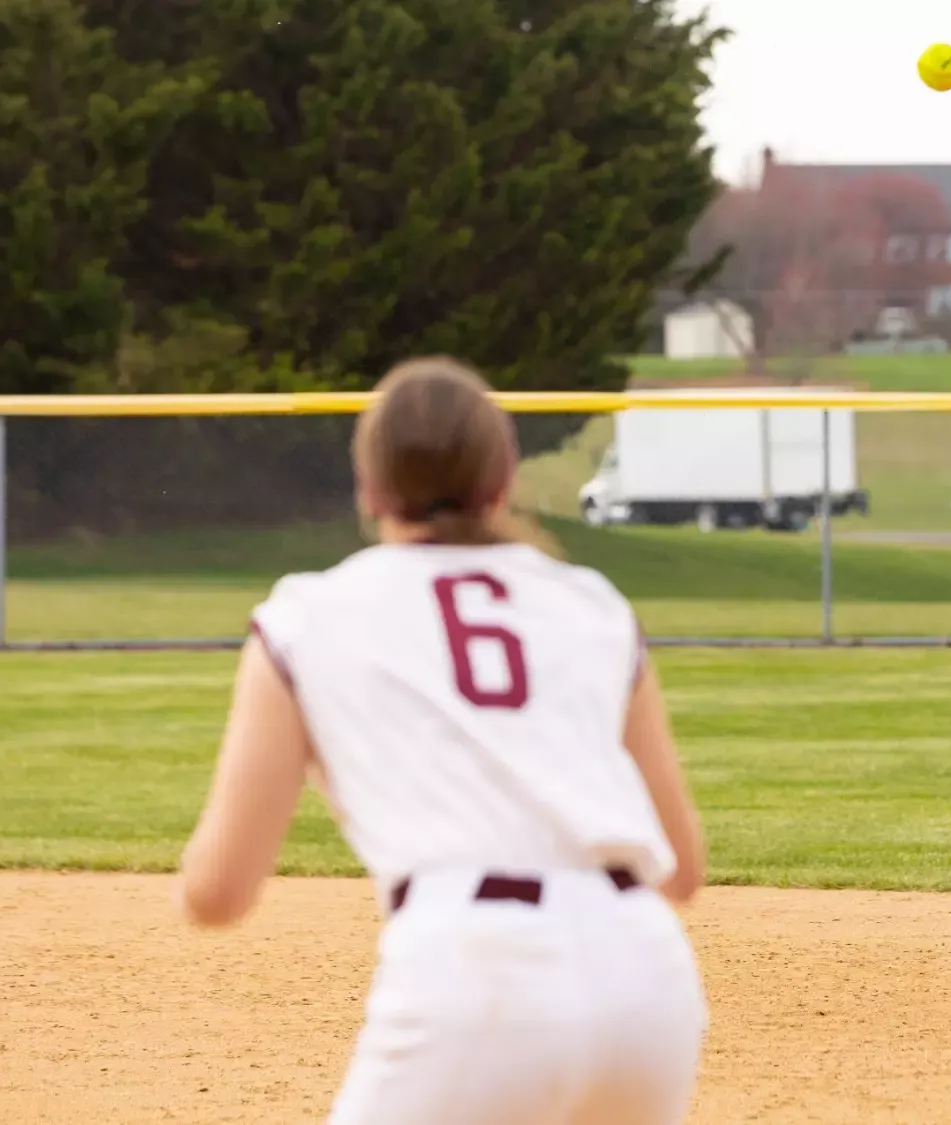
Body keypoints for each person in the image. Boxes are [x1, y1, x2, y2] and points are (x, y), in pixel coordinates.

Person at [174, 356, 709, 1124]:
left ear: (369, 487)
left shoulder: (307, 615)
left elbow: (220, 892)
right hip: (646, 982)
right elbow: (681, 869)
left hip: (474, 976)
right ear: (504, 479)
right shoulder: (592, 603)